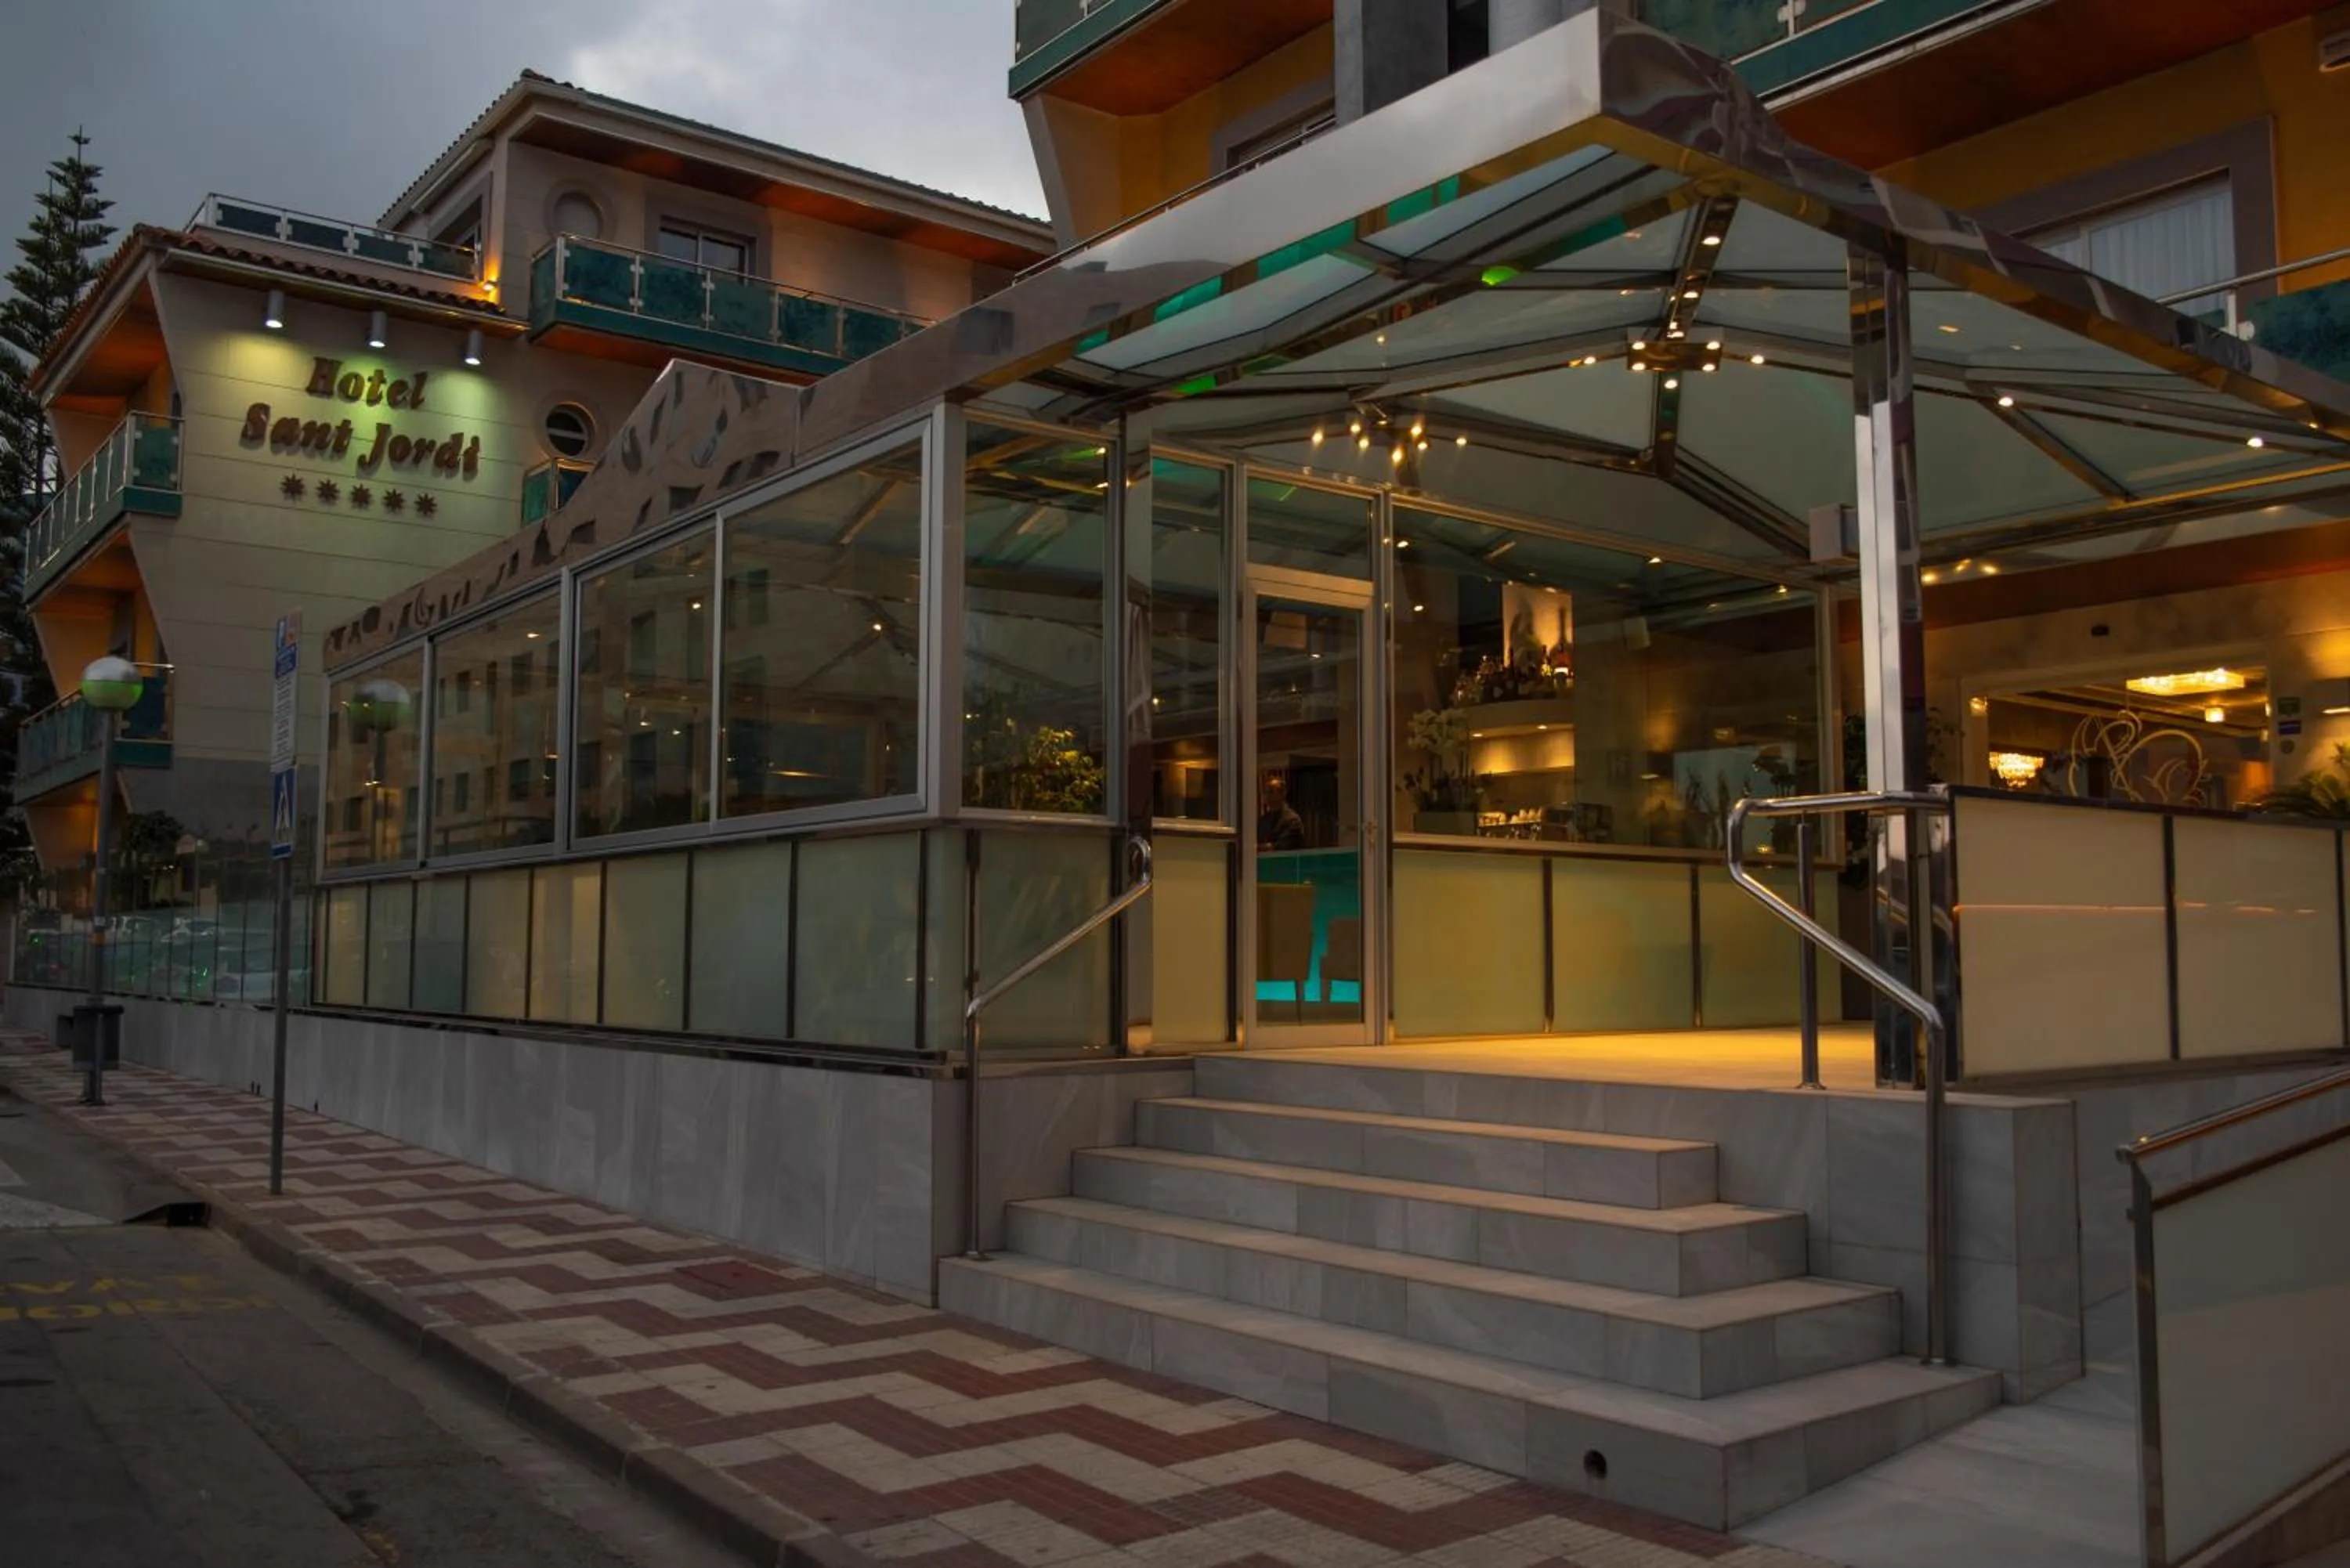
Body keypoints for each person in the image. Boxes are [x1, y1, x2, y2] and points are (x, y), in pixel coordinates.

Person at [1257, 773, 1305, 851]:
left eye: (1271, 792)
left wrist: (1255, 848)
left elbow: (1280, 847)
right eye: (1265, 792)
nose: (1267, 796)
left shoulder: (1293, 820)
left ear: (1282, 793)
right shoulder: (1263, 821)